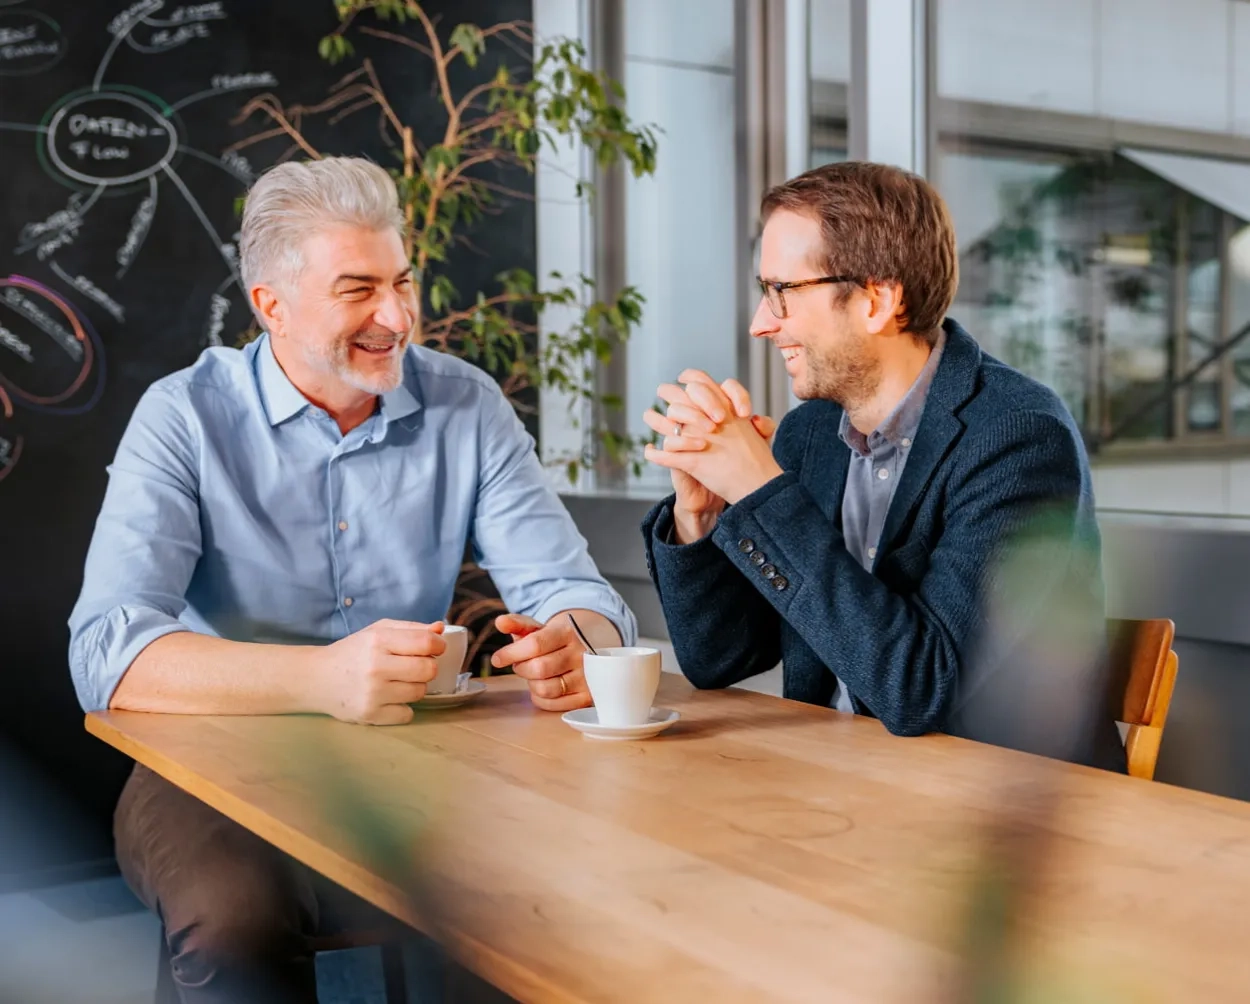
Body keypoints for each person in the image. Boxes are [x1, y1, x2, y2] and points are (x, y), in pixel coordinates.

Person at [69, 156, 634, 1002]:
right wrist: (325, 679)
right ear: (271, 305)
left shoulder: (466, 404)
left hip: (427, 762)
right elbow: (108, 652)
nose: (398, 316)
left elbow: (578, 595)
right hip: (211, 764)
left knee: (557, 895)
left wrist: (578, 645)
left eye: (403, 281)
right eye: (358, 289)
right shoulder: (184, 415)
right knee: (235, 919)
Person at [640, 161, 1123, 772]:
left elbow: (922, 690)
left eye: (782, 291)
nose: (763, 323)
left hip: (1003, 822)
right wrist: (701, 515)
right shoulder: (813, 432)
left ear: (877, 299)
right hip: (846, 787)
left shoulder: (1018, 437)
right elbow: (719, 658)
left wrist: (762, 492)